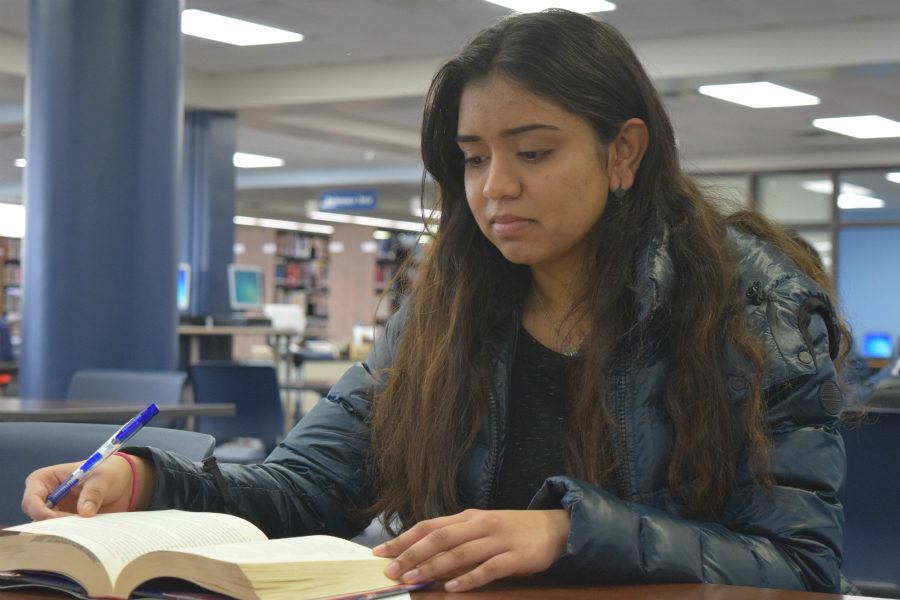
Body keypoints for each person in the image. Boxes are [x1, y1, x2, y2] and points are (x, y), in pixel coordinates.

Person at [23, 9, 853, 595]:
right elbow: (303, 489)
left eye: (532, 151)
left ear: (624, 152)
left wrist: (570, 532)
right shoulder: (446, 313)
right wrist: (143, 481)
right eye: (473, 158)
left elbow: (800, 566)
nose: (496, 188)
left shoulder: (750, 307)